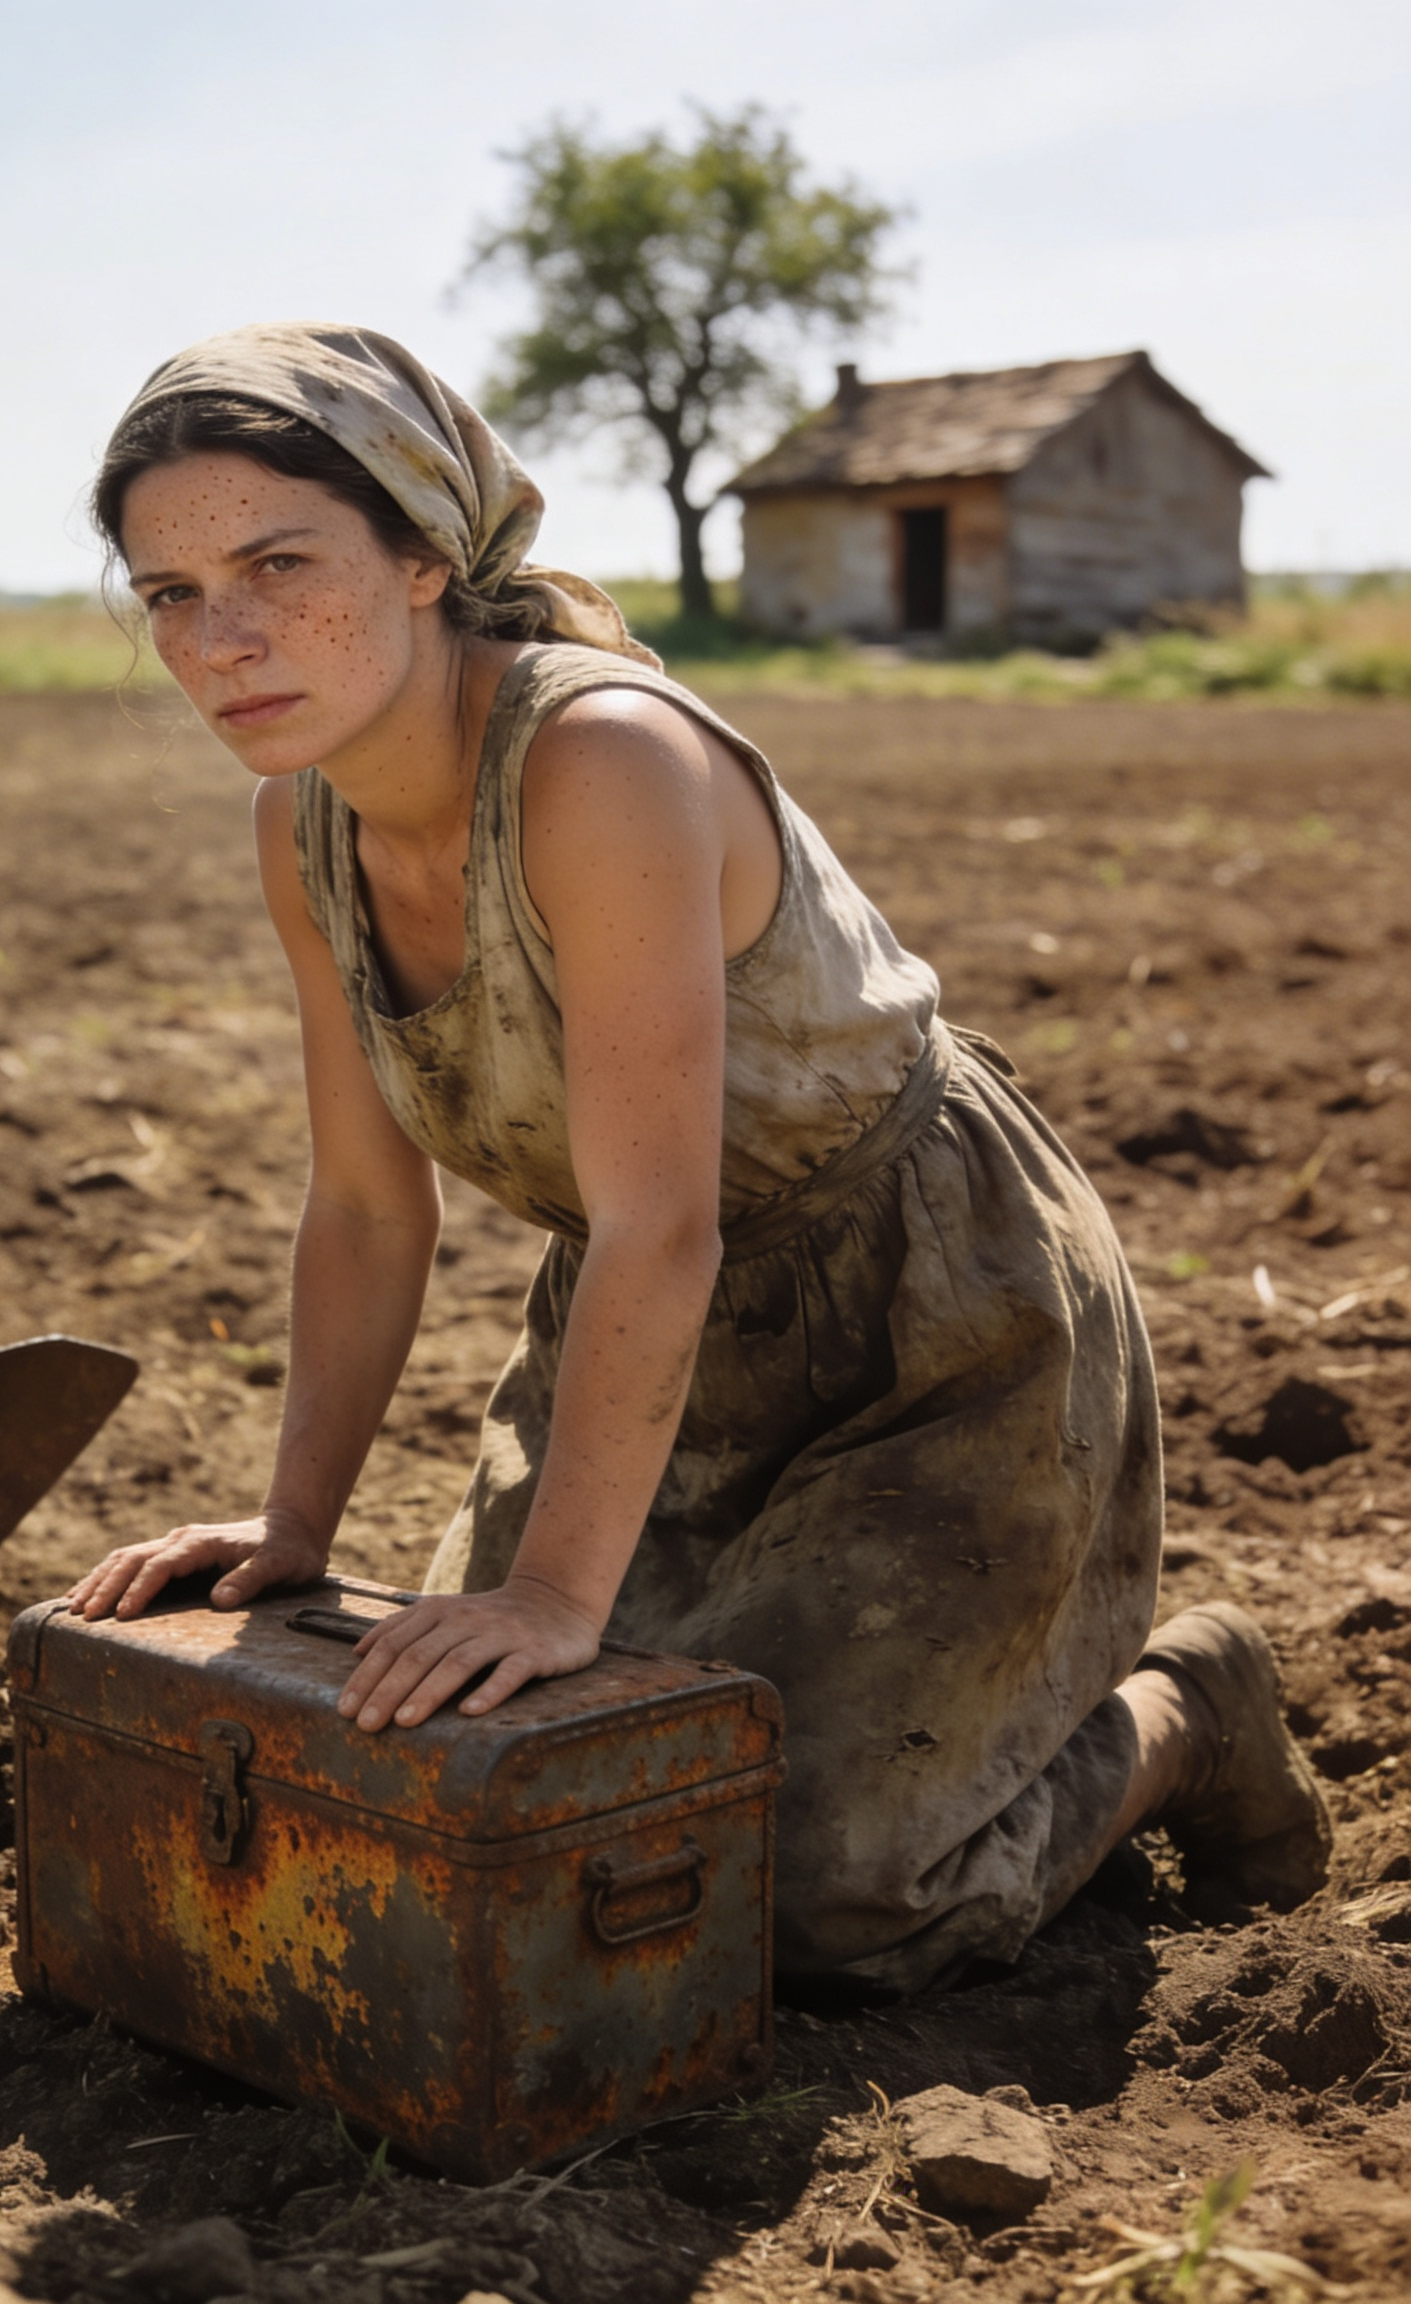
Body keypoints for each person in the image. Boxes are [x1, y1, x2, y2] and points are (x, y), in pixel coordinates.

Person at [67, 324, 1330, 1991]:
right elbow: (370, 1206)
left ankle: (1183, 1710)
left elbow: (661, 1217)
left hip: (929, 1317)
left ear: (427, 555)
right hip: (652, 1329)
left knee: (808, 1887)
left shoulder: (603, 760)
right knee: (490, 1790)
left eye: (277, 566)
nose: (220, 639)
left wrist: (552, 1598)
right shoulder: (299, 823)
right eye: (169, 594)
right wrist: (296, 1522)